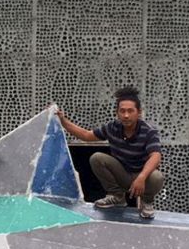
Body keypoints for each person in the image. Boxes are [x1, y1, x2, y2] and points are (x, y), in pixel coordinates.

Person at [56, 85, 164, 219]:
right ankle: (117, 196)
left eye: (130, 111)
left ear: (139, 112)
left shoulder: (149, 131)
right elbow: (86, 135)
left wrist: (141, 177)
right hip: (122, 174)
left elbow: (155, 156)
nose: (126, 115)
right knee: (97, 158)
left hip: (142, 177)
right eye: (122, 111)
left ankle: (147, 202)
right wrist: (63, 121)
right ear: (117, 112)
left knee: (157, 177)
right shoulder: (112, 128)